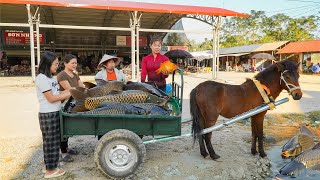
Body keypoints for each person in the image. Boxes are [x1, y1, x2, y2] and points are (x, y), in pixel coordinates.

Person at [35, 51, 70, 178]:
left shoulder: (50, 77)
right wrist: (70, 93)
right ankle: (50, 171)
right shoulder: (42, 78)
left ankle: (48, 166)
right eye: (55, 64)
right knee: (51, 142)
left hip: (54, 111)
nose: (57, 66)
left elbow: (57, 94)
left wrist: (67, 92)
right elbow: (51, 98)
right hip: (48, 114)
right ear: (47, 64)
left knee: (53, 142)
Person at [57, 54, 84, 162]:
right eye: (72, 63)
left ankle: (66, 147)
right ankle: (63, 152)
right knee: (63, 128)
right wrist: (81, 91)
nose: (74, 65)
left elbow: (82, 87)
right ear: (65, 64)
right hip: (64, 105)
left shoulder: (75, 75)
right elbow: (71, 90)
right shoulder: (61, 75)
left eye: (76, 63)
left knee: (68, 127)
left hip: (73, 103)